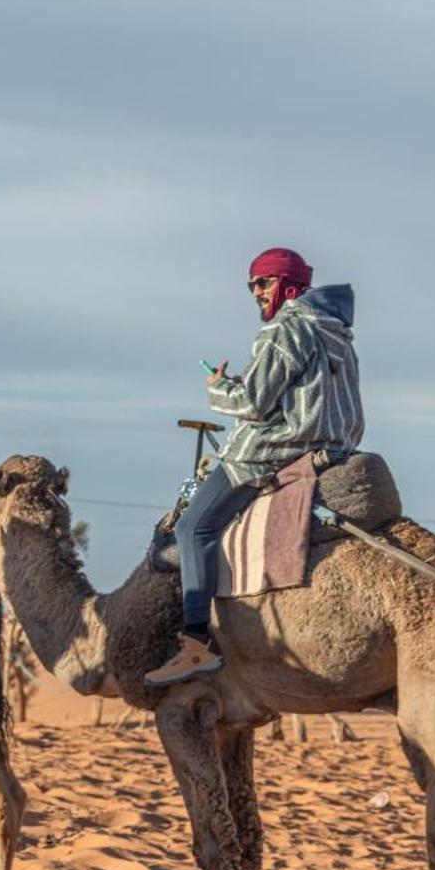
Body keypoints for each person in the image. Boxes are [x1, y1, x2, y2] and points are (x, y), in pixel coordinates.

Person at [146, 248, 362, 685]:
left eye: (263, 283)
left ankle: (196, 644)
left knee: (192, 528)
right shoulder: (337, 333)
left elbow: (251, 404)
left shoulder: (284, 331)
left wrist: (219, 386)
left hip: (270, 452)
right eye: (253, 285)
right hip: (335, 447)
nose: (256, 293)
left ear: (288, 286)